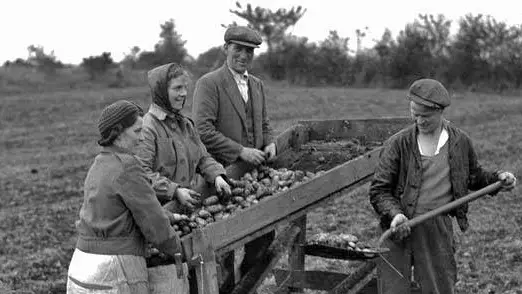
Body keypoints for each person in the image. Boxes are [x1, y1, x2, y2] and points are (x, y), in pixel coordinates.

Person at [368, 78, 516, 294]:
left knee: (438, 288)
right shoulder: (398, 144)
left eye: (425, 116)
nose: (419, 120)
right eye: (414, 114)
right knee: (393, 290)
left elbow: (472, 176)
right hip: (398, 227)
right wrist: (395, 215)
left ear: (440, 112)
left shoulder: (459, 142)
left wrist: (498, 179)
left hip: (436, 228)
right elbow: (379, 190)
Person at [67, 100, 186, 293]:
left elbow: (116, 211)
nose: (141, 139)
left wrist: (172, 216)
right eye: (137, 131)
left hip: (81, 266)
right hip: (113, 271)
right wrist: (177, 248)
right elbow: (154, 222)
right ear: (118, 133)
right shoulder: (127, 165)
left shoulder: (99, 164)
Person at [191, 26, 277, 292]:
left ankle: (246, 287)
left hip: (254, 181)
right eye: (237, 49)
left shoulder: (257, 85)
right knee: (220, 250)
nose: (243, 55)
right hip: (220, 178)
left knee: (262, 241)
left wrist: (270, 140)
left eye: (249, 51)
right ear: (225, 48)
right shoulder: (210, 83)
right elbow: (202, 130)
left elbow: (263, 122)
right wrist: (240, 151)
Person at [137, 62, 231, 211]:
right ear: (161, 91)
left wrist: (217, 176)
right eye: (177, 88)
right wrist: (174, 191)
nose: (184, 93)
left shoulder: (186, 124)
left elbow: (202, 158)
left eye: (185, 87)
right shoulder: (148, 127)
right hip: (161, 211)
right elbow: (141, 174)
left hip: (188, 205)